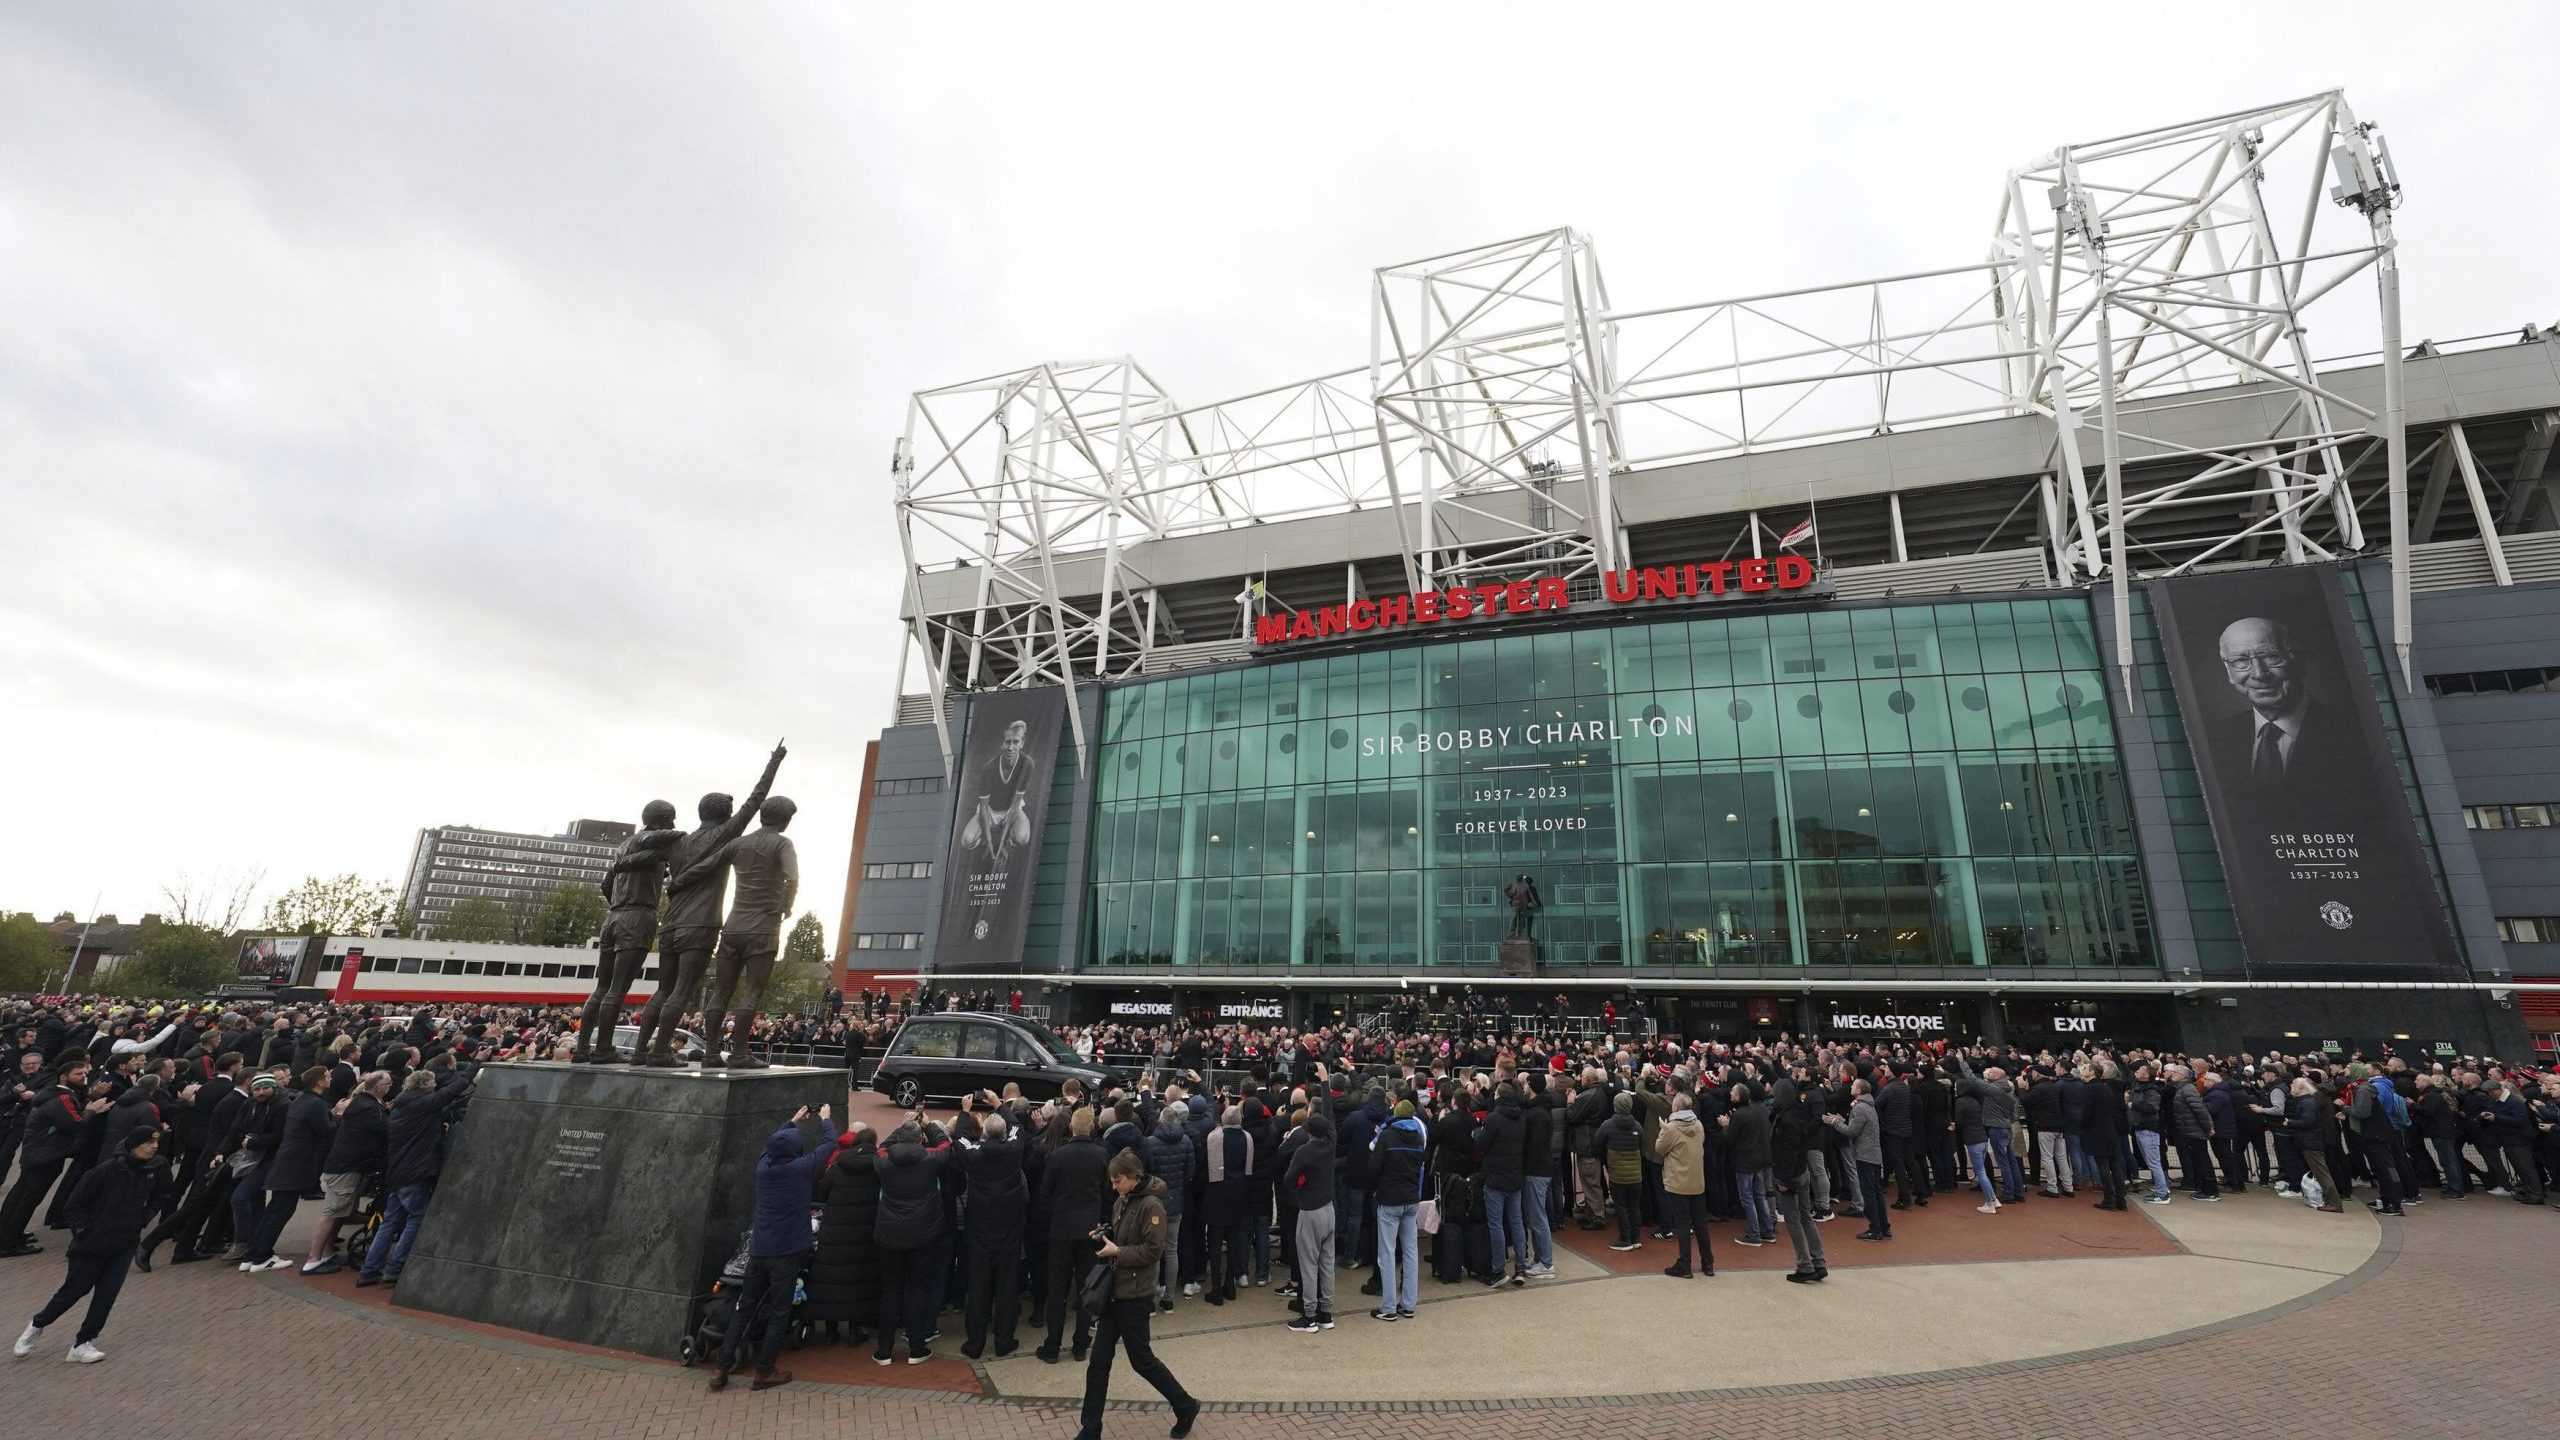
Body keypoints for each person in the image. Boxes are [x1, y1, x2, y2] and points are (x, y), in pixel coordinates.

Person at [709, 1105, 836, 1392]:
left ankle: (721, 1366)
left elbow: (773, 1140)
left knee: (745, 1307)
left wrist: (791, 1121)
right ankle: (764, 1370)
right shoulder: (800, 1169)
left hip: (759, 1248)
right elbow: (829, 1145)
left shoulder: (763, 1167)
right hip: (787, 1251)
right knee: (780, 1311)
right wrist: (826, 1120)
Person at [1076, 1148, 1199, 1440]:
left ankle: (1185, 1404)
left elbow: (1154, 1250)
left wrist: (1118, 1250)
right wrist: (1106, 1235)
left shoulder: (1152, 1206)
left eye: (1117, 1180)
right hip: (1115, 1293)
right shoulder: (1123, 1201)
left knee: (1142, 1360)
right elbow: (1125, 1237)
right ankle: (1090, 1428)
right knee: (1099, 1363)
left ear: (1133, 1177)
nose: (1113, 1186)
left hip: (1135, 1296)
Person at [15, 1126, 155, 1364]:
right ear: (134, 1145)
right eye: (149, 1142)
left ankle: (83, 1343)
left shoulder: (153, 1170)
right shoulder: (104, 1171)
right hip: (92, 1244)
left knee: (106, 1295)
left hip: (124, 1244)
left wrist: (143, 1219)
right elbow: (74, 1206)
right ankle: (37, 1325)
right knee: (73, 1291)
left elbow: (162, 1195)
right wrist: (83, 1231)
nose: (154, 1146)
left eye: (156, 1142)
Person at [358, 1064, 472, 1286]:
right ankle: (395, 1268)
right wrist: (474, 1067)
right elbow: (448, 1093)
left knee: (389, 1222)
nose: (435, 1087)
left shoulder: (403, 1104)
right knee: (415, 1219)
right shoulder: (421, 1104)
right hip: (416, 1171)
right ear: (424, 1086)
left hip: (398, 1171)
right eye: (432, 1084)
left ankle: (369, 1270)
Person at [0, 1055, 102, 1257]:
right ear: (64, 1077)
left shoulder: (57, 1094)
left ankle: (9, 1234)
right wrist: (90, 1111)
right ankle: (9, 1242)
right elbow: (73, 1124)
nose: (83, 1077)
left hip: (40, 1153)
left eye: (84, 1073)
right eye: (78, 1074)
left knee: (20, 1196)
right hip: (45, 1155)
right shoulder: (61, 1097)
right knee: (27, 1199)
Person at [871, 1114, 949, 1365]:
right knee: (918, 1290)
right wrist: (927, 1124)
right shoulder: (930, 1159)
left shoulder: (884, 1161)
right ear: (920, 1139)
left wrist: (900, 1126)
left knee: (890, 1291)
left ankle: (884, 1349)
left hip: (889, 1233)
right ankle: (916, 1347)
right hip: (922, 1234)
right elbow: (945, 1145)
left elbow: (882, 1146)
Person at [244, 1068, 335, 1272]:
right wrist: (337, 1115)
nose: (330, 1079)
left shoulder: (301, 1100)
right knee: (280, 1211)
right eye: (327, 1077)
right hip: (296, 1164)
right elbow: (325, 1130)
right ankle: (262, 1257)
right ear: (319, 1082)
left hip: (286, 1161)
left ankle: (253, 1255)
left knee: (274, 1210)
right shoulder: (316, 1103)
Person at [1035, 1107, 1107, 1362]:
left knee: (1057, 1291)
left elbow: (1045, 1193)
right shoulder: (1102, 1155)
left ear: (1071, 1128)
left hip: (1062, 1228)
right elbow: (1107, 1192)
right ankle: (1080, 1345)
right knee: (1087, 1290)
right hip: (1090, 1229)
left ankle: (1052, 1345)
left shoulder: (1058, 1156)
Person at [306, 1070, 390, 1275]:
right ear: (378, 1087)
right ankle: (313, 1259)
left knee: (340, 1212)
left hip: (346, 1165)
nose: (390, 1086)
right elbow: (385, 1129)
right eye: (387, 1084)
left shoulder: (363, 1103)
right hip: (345, 1168)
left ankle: (325, 1254)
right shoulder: (368, 1108)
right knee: (332, 1213)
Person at [807, 1126, 881, 1349]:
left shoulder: (838, 1166)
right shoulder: (877, 1167)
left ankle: (830, 1330)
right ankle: (854, 1330)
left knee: (831, 1280)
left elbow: (822, 1192)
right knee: (858, 1281)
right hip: (862, 1232)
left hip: (834, 1231)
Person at [1369, 1098, 1427, 1320]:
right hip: (1411, 1198)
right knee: (1411, 1252)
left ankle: (1389, 1306)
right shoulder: (1419, 1137)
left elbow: (1374, 1167)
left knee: (1387, 1253)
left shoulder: (1387, 1135)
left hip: (1389, 1198)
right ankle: (1409, 1304)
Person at [1281, 1110, 1336, 1330]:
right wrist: (1324, 1081)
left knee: (1308, 1265)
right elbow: (1332, 1127)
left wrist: (1299, 1189)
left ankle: (1310, 1315)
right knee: (1327, 1264)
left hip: (1310, 1210)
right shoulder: (1330, 1147)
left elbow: (1288, 1179)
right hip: (1328, 1208)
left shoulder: (1304, 1151)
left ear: (1309, 1132)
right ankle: (1326, 1313)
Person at [1770, 1077, 1826, 1282]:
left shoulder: (1785, 1120)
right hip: (1802, 1171)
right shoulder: (1800, 1113)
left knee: (1794, 1220)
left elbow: (1787, 1152)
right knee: (1806, 1216)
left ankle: (1805, 1265)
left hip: (1789, 1175)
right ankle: (1818, 1261)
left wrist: (1785, 1179)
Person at [1651, 1087, 1711, 1278]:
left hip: (1678, 1181)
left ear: (1676, 1106)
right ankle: (1707, 1262)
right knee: (1701, 1224)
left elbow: (1659, 1149)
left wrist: (1663, 1129)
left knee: (1683, 1224)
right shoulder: (1699, 1125)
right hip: (1697, 1180)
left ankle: (1684, 1264)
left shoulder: (1671, 1128)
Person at [1200, 1103, 1255, 1304]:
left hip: (1217, 1194)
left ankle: (1215, 1289)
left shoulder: (1214, 1137)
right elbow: (1249, 1169)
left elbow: (1207, 1168)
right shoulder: (1247, 1138)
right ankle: (1230, 1285)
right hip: (1239, 1194)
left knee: (1214, 1244)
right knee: (1234, 1242)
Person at [1827, 1080, 1888, 1241]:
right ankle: (1883, 1226)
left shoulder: (1860, 1107)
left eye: (1854, 1086)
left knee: (1869, 1193)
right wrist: (1842, 1120)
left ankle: (1875, 1229)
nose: (1851, 1088)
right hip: (1873, 1154)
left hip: (1865, 1155)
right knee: (1876, 1192)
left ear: (1859, 1090)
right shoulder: (1868, 1106)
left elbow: (1852, 1131)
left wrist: (1835, 1122)